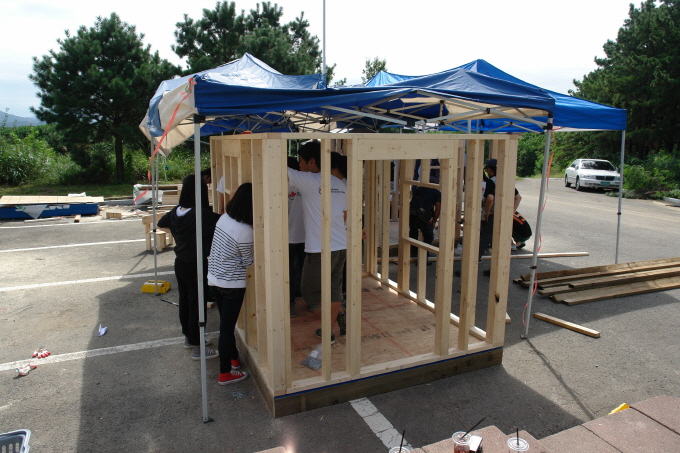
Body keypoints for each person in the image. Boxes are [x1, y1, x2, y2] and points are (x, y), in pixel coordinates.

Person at [288, 141, 347, 344]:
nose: (299, 165)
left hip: (321, 248)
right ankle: (328, 330)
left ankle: (338, 311)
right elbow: (346, 215)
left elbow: (277, 168)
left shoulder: (310, 180)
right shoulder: (339, 183)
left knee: (308, 290)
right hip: (341, 245)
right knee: (334, 288)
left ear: (312, 161)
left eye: (301, 161)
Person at [158, 174, 221, 361]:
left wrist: (181, 236)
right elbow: (223, 223)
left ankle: (189, 337)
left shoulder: (176, 211)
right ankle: (197, 347)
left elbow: (161, 225)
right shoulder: (201, 215)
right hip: (196, 264)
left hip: (180, 263)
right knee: (197, 304)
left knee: (185, 301)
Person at [208, 183, 254, 385]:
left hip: (214, 279)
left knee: (226, 324)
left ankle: (234, 358)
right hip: (232, 285)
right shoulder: (245, 231)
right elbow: (248, 262)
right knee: (226, 330)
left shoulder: (224, 218)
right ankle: (225, 373)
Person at [287, 156, 306, 318]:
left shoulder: (280, 186)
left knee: (288, 273)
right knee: (306, 270)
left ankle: (291, 305)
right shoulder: (306, 184)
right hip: (306, 235)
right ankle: (310, 300)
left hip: (286, 237)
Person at [409, 174, 441, 258]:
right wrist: (434, 220)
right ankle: (424, 258)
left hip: (412, 213)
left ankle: (413, 254)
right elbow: (438, 209)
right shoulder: (436, 192)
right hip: (424, 215)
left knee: (413, 233)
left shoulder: (418, 189)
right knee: (428, 236)